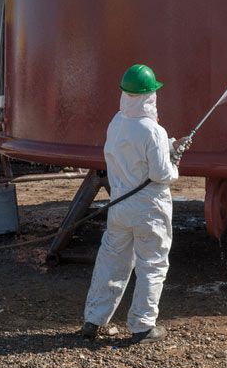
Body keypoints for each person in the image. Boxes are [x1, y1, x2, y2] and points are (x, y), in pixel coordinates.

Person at [81, 64, 192, 344]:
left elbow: (134, 148)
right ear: (150, 95)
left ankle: (94, 320)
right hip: (148, 209)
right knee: (151, 264)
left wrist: (169, 144)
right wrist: (175, 161)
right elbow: (160, 174)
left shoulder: (117, 122)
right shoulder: (152, 130)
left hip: (119, 205)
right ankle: (143, 326)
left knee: (111, 262)